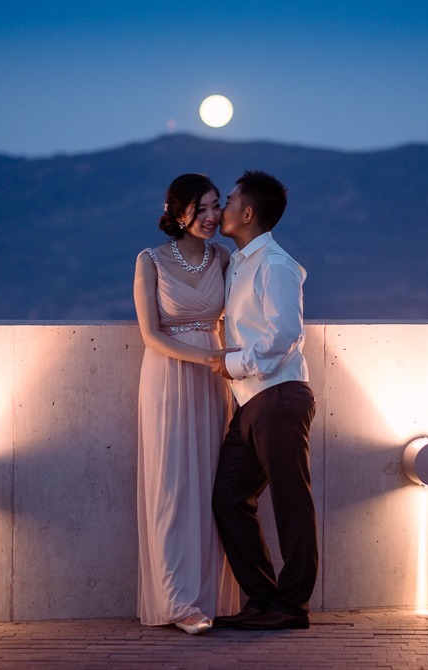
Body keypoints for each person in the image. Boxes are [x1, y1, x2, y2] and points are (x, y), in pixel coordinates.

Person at [208, 170, 318, 630]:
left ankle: (291, 607)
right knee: (229, 499)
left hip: (278, 397)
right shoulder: (238, 264)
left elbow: (285, 336)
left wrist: (230, 362)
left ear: (247, 213)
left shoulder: (275, 264)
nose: (221, 209)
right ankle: (263, 599)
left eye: (228, 201)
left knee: (292, 500)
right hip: (252, 402)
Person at [133, 173, 241, 635]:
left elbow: (240, 316)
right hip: (169, 379)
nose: (212, 217)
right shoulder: (149, 260)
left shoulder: (224, 256)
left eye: (216, 206)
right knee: (173, 487)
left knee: (211, 485)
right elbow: (150, 334)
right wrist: (205, 357)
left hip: (215, 382)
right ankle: (177, 601)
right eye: (202, 209)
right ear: (179, 212)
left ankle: (209, 596)